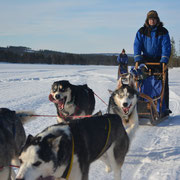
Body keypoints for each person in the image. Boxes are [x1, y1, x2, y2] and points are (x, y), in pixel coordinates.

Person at [133, 10, 171, 116]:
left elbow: (166, 46)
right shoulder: (142, 31)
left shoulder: (163, 31)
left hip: (159, 61)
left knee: (162, 83)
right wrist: (138, 58)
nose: (152, 21)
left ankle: (162, 108)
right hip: (145, 60)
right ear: (147, 20)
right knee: (141, 81)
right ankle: (142, 106)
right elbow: (137, 45)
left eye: (154, 19)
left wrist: (164, 60)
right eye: (150, 19)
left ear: (157, 20)